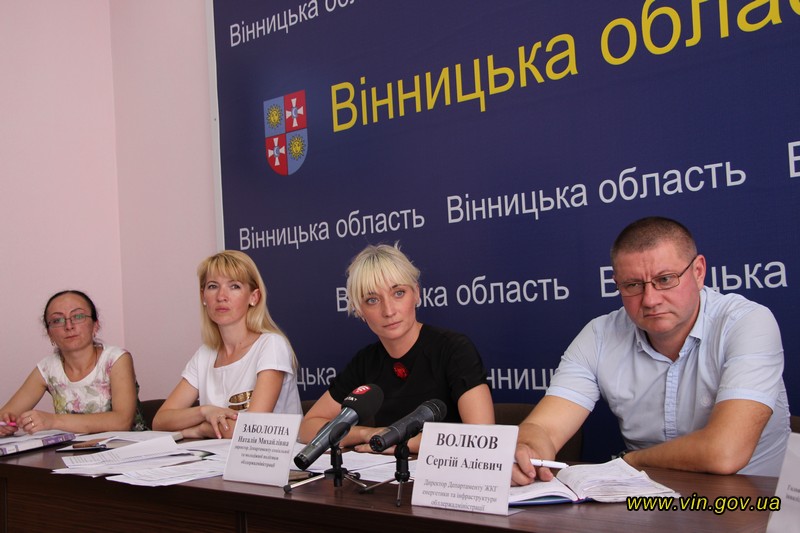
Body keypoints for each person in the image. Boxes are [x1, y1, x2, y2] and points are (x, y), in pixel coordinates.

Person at [512, 216, 791, 484]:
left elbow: (724, 452)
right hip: (646, 503)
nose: (650, 299)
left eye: (665, 279)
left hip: (753, 504)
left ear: (698, 272)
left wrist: (632, 460)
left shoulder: (747, 322)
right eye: (633, 285)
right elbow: (544, 428)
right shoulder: (599, 335)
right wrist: (526, 451)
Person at [299, 243, 494, 453]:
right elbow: (308, 427)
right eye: (372, 300)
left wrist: (397, 441)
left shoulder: (453, 349)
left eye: (398, 293)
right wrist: (367, 434)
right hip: (387, 473)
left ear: (416, 293)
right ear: (359, 310)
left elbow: (482, 436)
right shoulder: (366, 361)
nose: (389, 311)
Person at [153, 250, 302, 439]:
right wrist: (205, 411)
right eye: (213, 286)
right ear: (203, 296)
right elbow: (161, 421)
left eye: (234, 286)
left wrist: (200, 430)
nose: (221, 296)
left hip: (272, 457)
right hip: (217, 456)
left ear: (254, 297)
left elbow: (251, 430)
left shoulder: (271, 345)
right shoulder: (205, 354)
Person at [0, 290, 146, 437]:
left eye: (78, 316)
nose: (69, 326)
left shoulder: (116, 359)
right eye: (57, 320)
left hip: (127, 447)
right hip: (75, 449)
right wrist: (3, 425)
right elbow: (7, 415)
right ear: (49, 333)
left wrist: (53, 421)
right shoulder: (47, 368)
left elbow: (121, 422)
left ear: (95, 325)